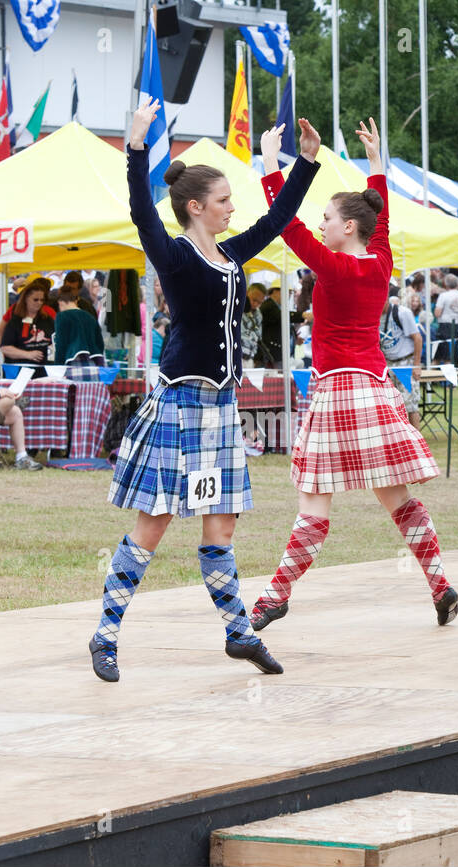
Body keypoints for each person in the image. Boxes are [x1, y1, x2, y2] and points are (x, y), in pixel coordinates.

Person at [90, 96, 319, 683]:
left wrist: (305, 166)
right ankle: (106, 633)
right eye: (222, 202)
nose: (231, 210)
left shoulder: (232, 252)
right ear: (195, 207)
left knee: (221, 528)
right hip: (178, 404)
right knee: (154, 524)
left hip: (220, 408)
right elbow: (143, 213)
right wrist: (136, 150)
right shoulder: (175, 254)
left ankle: (238, 634)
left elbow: (275, 223)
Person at [249, 117, 457, 633]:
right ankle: (438, 583)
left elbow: (285, 225)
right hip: (374, 391)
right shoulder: (380, 261)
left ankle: (276, 594)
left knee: (314, 507)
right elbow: (379, 219)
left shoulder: (333, 266)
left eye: (327, 218)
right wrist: (376, 165)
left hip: (335, 392)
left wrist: (272, 166)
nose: (320, 224)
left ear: (347, 228)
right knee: (398, 500)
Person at [380, 285, 423, 426]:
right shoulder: (372, 316)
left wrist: (416, 365)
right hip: (388, 364)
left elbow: (417, 338)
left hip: (406, 363)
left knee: (410, 406)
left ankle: (416, 443)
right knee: (391, 406)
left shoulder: (402, 313)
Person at [0, 275, 54, 367]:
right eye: (35, 300)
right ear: (26, 299)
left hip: (45, 370)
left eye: (42, 300)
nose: (39, 303)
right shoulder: (15, 322)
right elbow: (5, 348)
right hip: (21, 371)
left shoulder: (47, 319)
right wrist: (28, 354)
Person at [51, 287, 104, 364]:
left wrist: (58, 365)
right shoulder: (90, 317)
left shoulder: (62, 316)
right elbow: (100, 342)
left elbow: (61, 344)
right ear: (76, 301)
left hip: (73, 360)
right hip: (94, 360)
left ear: (60, 302)